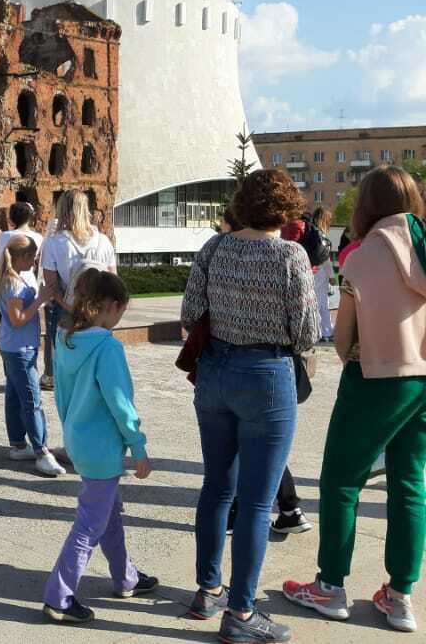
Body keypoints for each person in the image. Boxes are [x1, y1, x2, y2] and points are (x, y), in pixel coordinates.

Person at [283, 165, 426, 633]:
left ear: (367, 204)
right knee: (410, 484)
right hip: (425, 380)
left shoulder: (361, 256)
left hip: (375, 377)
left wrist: (356, 354)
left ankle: (330, 586)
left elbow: (343, 340)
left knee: (341, 482)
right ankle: (401, 596)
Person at [180, 168, 319, 644]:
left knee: (216, 487)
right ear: (285, 209)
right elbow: (304, 330)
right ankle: (241, 613)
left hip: (215, 372)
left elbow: (189, 313)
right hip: (266, 376)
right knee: (258, 503)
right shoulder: (290, 255)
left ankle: (207, 589)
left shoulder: (214, 248)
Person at [42, 268, 156, 623]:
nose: (121, 317)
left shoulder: (66, 339)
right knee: (90, 524)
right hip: (103, 448)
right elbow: (121, 402)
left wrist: (71, 427)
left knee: (107, 514)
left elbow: (60, 394)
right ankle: (59, 596)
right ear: (109, 306)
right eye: (121, 310)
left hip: (78, 439)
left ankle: (126, 578)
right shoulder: (107, 347)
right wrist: (138, 446)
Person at [0, 235, 64, 476]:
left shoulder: (19, 276)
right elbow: (17, 319)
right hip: (18, 348)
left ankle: (18, 444)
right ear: (21, 257)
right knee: (32, 399)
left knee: (14, 395)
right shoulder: (12, 282)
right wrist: (41, 300)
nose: (35, 262)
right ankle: (41, 451)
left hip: (18, 346)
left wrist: (40, 300)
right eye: (32, 258)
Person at [40, 191, 117, 391]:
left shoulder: (54, 242)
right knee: (97, 358)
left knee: (68, 363)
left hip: (67, 309)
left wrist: (72, 306)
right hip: (100, 311)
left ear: (62, 210)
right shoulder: (104, 241)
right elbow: (114, 281)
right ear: (86, 211)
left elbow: (52, 287)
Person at [311, 207, 335, 341]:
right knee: (322, 304)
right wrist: (332, 276)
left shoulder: (310, 233)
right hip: (320, 273)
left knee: (314, 303)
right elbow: (326, 259)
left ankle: (316, 330)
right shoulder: (322, 236)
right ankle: (325, 332)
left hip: (310, 271)